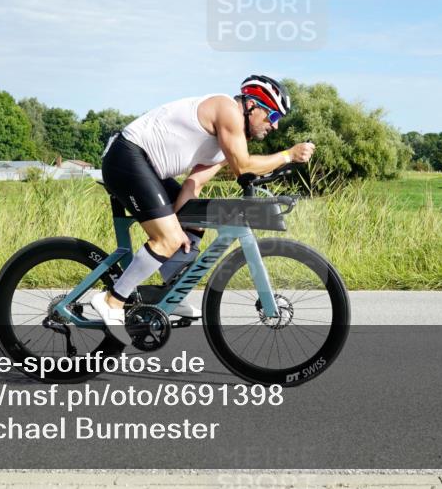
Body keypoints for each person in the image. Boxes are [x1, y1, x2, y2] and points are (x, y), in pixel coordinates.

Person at [91, 75, 315, 345]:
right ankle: (112, 301)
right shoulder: (227, 110)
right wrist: (288, 155)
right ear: (253, 106)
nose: (275, 126)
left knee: (195, 222)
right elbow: (243, 167)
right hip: (127, 157)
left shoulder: (226, 143)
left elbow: (192, 186)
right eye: (273, 116)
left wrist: (181, 221)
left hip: (148, 168)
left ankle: (168, 294)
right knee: (168, 238)